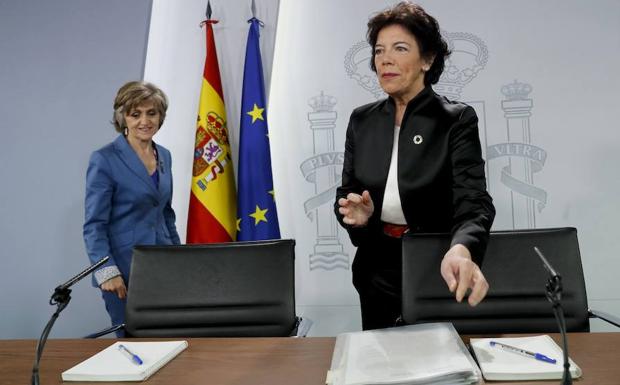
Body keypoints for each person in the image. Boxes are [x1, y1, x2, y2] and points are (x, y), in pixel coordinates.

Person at [335, 2, 496, 330]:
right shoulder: (361, 120)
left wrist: (462, 250)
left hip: (436, 265)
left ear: (427, 59)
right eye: (379, 50)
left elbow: (474, 204)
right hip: (376, 270)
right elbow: (347, 194)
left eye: (400, 48)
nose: (385, 59)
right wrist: (360, 218)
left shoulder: (455, 120)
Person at [83, 81, 181, 332]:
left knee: (170, 340)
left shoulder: (165, 156)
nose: (144, 121)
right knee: (133, 343)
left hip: (164, 265)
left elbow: (165, 214)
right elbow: (95, 225)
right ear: (122, 118)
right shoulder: (104, 159)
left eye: (152, 113)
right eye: (135, 114)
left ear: (160, 117)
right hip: (124, 272)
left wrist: (181, 259)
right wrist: (106, 271)